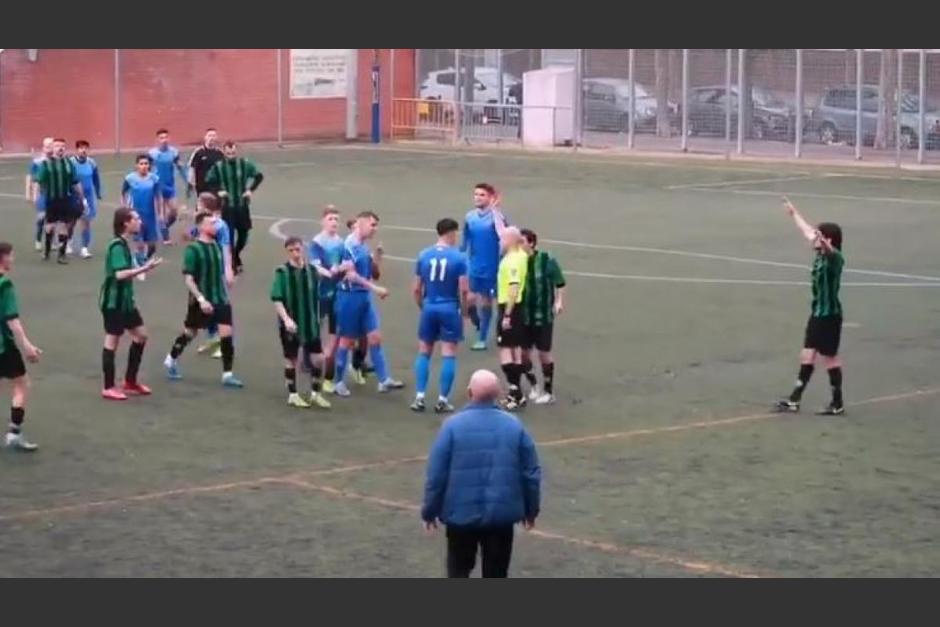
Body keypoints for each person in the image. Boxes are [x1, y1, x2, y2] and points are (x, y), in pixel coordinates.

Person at [421, 369, 541, 578]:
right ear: (498, 394)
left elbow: (436, 475)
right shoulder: (514, 426)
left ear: (469, 392)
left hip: (460, 516)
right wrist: (531, 510)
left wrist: (429, 511)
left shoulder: (452, 427)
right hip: (500, 517)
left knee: (458, 571)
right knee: (496, 573)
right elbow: (531, 473)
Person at [774, 197, 846, 416]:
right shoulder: (819, 255)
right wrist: (793, 213)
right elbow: (806, 231)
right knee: (807, 355)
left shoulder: (836, 259)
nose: (812, 237)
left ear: (828, 239)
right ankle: (794, 400)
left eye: (819, 235)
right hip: (817, 314)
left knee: (830, 358)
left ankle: (837, 402)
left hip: (830, 316)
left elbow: (830, 250)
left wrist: (823, 242)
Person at [163, 212, 242, 388]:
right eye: (211, 223)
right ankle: (171, 359)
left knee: (227, 334)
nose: (216, 226)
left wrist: (228, 279)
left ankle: (227, 374)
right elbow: (189, 279)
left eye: (216, 223)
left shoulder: (215, 246)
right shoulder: (193, 249)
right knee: (190, 333)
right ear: (200, 227)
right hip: (201, 300)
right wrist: (201, 299)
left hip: (220, 298)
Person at [332, 210, 403, 397]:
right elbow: (352, 275)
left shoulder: (363, 245)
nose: (375, 229)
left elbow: (370, 271)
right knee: (346, 341)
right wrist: (375, 289)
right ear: (361, 223)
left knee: (375, 338)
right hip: (349, 298)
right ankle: (338, 381)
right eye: (373, 225)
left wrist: (378, 256)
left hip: (364, 298)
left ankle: (384, 379)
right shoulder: (348, 246)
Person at [100, 209, 164, 400]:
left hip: (126, 302)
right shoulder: (117, 246)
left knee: (141, 336)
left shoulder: (125, 244)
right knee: (112, 340)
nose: (139, 221)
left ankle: (130, 381)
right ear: (125, 223)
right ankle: (108, 386)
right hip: (114, 303)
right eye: (135, 219)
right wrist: (144, 268)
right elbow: (119, 274)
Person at [410, 218, 469, 414]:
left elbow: (417, 289)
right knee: (449, 352)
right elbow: (464, 290)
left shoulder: (423, 255)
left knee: (424, 350)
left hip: (429, 306)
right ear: (451, 233)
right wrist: (465, 311)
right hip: (449, 307)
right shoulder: (459, 258)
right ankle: (442, 400)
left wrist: (422, 306)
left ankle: (419, 397)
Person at [270, 236, 331, 410]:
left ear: (302, 248)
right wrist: (286, 319)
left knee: (318, 359)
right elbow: (277, 298)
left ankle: (315, 393)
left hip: (310, 322)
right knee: (291, 359)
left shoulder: (312, 270)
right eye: (291, 250)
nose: (295, 253)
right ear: (287, 252)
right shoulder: (282, 272)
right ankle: (293, 394)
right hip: (291, 324)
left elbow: (330, 277)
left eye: (297, 249)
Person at [0, 242, 43, 451]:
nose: (13, 260)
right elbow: (12, 320)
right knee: (22, 384)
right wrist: (27, 346)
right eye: (11, 256)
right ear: (3, 258)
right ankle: (14, 433)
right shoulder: (4, 285)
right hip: (3, 346)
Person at [519, 228, 566, 405]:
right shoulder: (516, 261)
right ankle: (534, 385)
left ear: (531, 243)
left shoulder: (546, 260)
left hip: (543, 314)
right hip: (523, 315)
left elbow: (560, 282)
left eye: (522, 242)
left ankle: (548, 390)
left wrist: (559, 301)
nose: (519, 246)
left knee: (544, 353)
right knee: (523, 354)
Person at [461, 183, 508, 351]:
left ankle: (484, 337)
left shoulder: (497, 217)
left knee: (491, 301)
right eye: (476, 194)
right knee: (469, 299)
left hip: (493, 267)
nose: (477, 197)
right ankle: (478, 323)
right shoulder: (469, 217)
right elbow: (465, 241)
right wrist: (461, 259)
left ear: (490, 198)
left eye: (482, 195)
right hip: (474, 266)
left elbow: (505, 239)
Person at [205, 141, 264, 274]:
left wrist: (250, 190)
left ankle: (236, 254)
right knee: (229, 237)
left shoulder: (244, 164)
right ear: (224, 152)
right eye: (228, 153)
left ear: (236, 152)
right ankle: (232, 262)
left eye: (233, 152)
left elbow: (259, 176)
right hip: (228, 208)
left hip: (242, 207)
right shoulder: (218, 167)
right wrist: (218, 190)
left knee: (244, 235)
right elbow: (209, 181)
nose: (231, 155)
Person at [187, 193, 234, 359]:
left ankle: (224, 341)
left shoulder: (220, 226)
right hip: (203, 270)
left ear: (207, 206)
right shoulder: (200, 223)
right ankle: (215, 338)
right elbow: (190, 238)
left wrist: (228, 269)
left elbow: (226, 248)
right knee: (207, 306)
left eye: (199, 203)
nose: (196, 205)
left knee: (221, 305)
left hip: (217, 269)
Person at [307, 206, 345, 394]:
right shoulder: (317, 242)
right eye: (331, 219)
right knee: (316, 327)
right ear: (323, 221)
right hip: (320, 292)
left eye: (336, 219)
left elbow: (344, 261)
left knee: (334, 333)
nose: (334, 223)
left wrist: (340, 268)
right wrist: (328, 272)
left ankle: (329, 372)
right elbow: (314, 266)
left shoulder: (341, 242)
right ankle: (309, 358)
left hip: (337, 293)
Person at [495, 227, 529, 410]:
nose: (500, 242)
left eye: (502, 239)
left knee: (505, 351)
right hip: (516, 307)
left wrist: (507, 314)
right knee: (514, 351)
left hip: (510, 307)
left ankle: (516, 393)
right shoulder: (521, 255)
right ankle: (516, 394)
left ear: (510, 241)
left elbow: (514, 289)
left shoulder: (513, 261)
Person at [36, 138, 84, 264]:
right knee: (50, 227)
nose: (60, 148)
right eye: (57, 146)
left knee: (64, 225)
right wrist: (39, 197)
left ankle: (61, 254)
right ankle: (46, 250)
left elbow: (75, 182)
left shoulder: (69, 163)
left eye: (63, 146)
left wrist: (82, 198)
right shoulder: (46, 164)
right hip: (51, 200)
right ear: (53, 148)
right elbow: (40, 182)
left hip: (65, 199)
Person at [121, 154, 161, 278]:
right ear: (136, 165)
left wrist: (160, 214)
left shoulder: (154, 179)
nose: (144, 166)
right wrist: (125, 209)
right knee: (139, 243)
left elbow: (158, 197)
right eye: (141, 164)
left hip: (150, 215)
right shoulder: (130, 178)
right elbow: (123, 193)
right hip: (136, 216)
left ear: (149, 166)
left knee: (152, 246)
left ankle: (142, 260)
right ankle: (140, 266)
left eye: (146, 164)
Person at [148, 129, 189, 245]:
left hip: (170, 187)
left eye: (166, 137)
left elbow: (180, 167)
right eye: (161, 138)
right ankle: (166, 238)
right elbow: (146, 170)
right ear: (157, 140)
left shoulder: (174, 153)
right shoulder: (152, 154)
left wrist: (187, 181)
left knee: (174, 213)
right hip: (157, 187)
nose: (164, 140)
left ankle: (164, 226)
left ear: (169, 139)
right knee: (161, 213)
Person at [70, 140, 103, 259]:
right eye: (80, 148)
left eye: (85, 148)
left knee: (86, 222)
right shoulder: (71, 163)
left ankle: (84, 248)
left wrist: (98, 192)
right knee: (71, 222)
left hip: (88, 197)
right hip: (74, 196)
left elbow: (96, 179)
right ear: (76, 150)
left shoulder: (92, 163)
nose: (83, 150)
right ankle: (68, 241)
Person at [25, 137, 54, 252]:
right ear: (43, 148)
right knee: (41, 218)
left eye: (51, 146)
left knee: (53, 219)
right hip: (42, 193)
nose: (49, 149)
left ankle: (50, 242)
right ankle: (38, 240)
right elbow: (30, 178)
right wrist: (29, 193)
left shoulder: (57, 160)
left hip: (55, 194)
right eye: (47, 146)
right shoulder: (37, 162)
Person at [187, 128, 224, 195]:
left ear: (216, 138)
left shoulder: (220, 153)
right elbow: (192, 168)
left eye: (213, 136)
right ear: (205, 138)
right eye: (209, 135)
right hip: (202, 187)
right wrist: (190, 182)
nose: (211, 138)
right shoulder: (198, 152)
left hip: (216, 187)